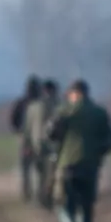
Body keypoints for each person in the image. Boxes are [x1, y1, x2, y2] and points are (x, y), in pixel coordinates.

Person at [47, 80, 111, 222]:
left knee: (64, 204)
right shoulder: (99, 113)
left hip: (67, 166)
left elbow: (50, 134)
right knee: (86, 207)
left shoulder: (64, 111)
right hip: (90, 167)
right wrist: (98, 152)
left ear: (73, 94)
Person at [19, 75, 45, 202]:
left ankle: (29, 194)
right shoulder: (43, 104)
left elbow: (15, 121)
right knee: (38, 170)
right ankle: (36, 194)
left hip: (27, 141)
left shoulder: (23, 103)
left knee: (28, 171)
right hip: (37, 142)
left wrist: (20, 134)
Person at [38, 79, 61, 210]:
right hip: (52, 144)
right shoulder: (57, 104)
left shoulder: (41, 105)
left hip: (46, 144)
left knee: (46, 174)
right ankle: (47, 198)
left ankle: (46, 197)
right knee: (50, 173)